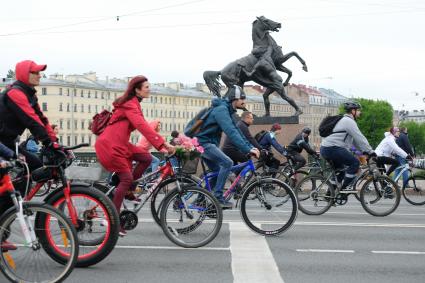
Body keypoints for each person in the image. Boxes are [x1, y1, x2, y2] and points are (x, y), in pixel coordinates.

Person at [95, 76, 175, 236]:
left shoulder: (133, 103)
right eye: (146, 87)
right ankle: (112, 219)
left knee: (146, 158)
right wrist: (163, 144)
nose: (149, 89)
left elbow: (141, 125)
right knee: (125, 178)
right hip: (111, 146)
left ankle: (128, 190)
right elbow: (142, 126)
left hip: (121, 144)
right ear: (137, 90)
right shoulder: (130, 104)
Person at [195, 85, 260, 208]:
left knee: (217, 170)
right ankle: (218, 197)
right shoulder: (222, 110)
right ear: (235, 99)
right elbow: (231, 132)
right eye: (242, 98)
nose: (244, 102)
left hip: (208, 143)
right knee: (227, 163)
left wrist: (249, 147)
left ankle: (200, 199)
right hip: (204, 143)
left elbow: (236, 130)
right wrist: (247, 149)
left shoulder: (227, 111)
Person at [0, 60, 57, 172]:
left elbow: (42, 119)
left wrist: (54, 141)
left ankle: (18, 189)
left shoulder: (30, 96)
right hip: (2, 143)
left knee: (35, 165)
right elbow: (31, 119)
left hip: (8, 141)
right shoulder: (15, 93)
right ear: (25, 74)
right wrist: (48, 142)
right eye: (35, 73)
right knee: (29, 166)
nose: (39, 76)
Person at [320, 101, 375, 190]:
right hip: (333, 148)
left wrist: (363, 152)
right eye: (358, 110)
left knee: (341, 171)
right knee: (355, 163)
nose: (360, 112)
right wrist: (371, 151)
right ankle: (344, 189)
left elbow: (354, 142)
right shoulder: (348, 121)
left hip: (326, 148)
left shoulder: (344, 120)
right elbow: (360, 137)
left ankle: (330, 194)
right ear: (353, 111)